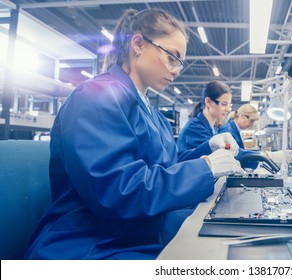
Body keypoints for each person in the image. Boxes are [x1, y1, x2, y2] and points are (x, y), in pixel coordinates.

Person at [24, 8, 243, 260]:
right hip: (90, 243)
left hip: (133, 233)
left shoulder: (151, 111)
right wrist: (204, 168)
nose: (176, 70)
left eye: (180, 63)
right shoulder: (96, 98)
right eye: (172, 57)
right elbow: (118, 189)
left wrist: (209, 151)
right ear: (138, 44)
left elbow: (164, 169)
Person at [177, 81, 292, 167]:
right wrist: (266, 156)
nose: (228, 109)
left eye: (229, 105)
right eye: (224, 104)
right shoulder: (195, 128)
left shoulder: (210, 128)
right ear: (208, 102)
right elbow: (225, 155)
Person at [219, 104, 292, 165]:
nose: (252, 124)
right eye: (251, 121)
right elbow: (235, 155)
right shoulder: (227, 131)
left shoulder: (234, 129)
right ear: (242, 116)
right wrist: (267, 156)